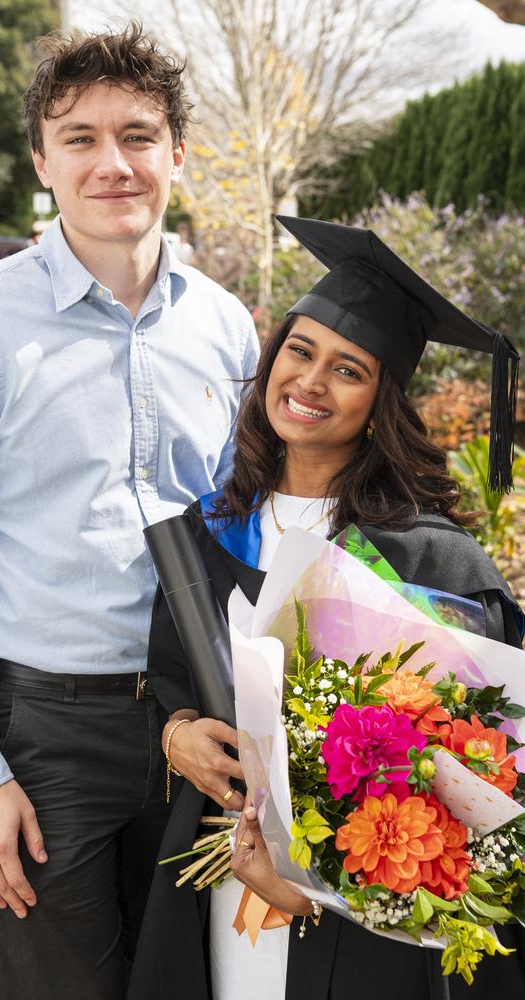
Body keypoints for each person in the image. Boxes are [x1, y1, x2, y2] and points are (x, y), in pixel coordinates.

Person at [0, 24, 258, 1000]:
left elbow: (239, 533)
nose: (111, 163)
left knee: (193, 980)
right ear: (40, 159)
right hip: (43, 732)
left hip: (198, 718)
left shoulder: (225, 328)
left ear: (177, 151)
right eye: (79, 137)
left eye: (136, 135)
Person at [129, 216, 525, 1000]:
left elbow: (485, 774)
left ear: (383, 402)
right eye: (299, 351)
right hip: (217, 874)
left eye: (348, 369)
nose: (310, 382)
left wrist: (316, 883)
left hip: (365, 924)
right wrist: (176, 737)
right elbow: (165, 686)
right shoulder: (208, 533)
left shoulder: (430, 559)